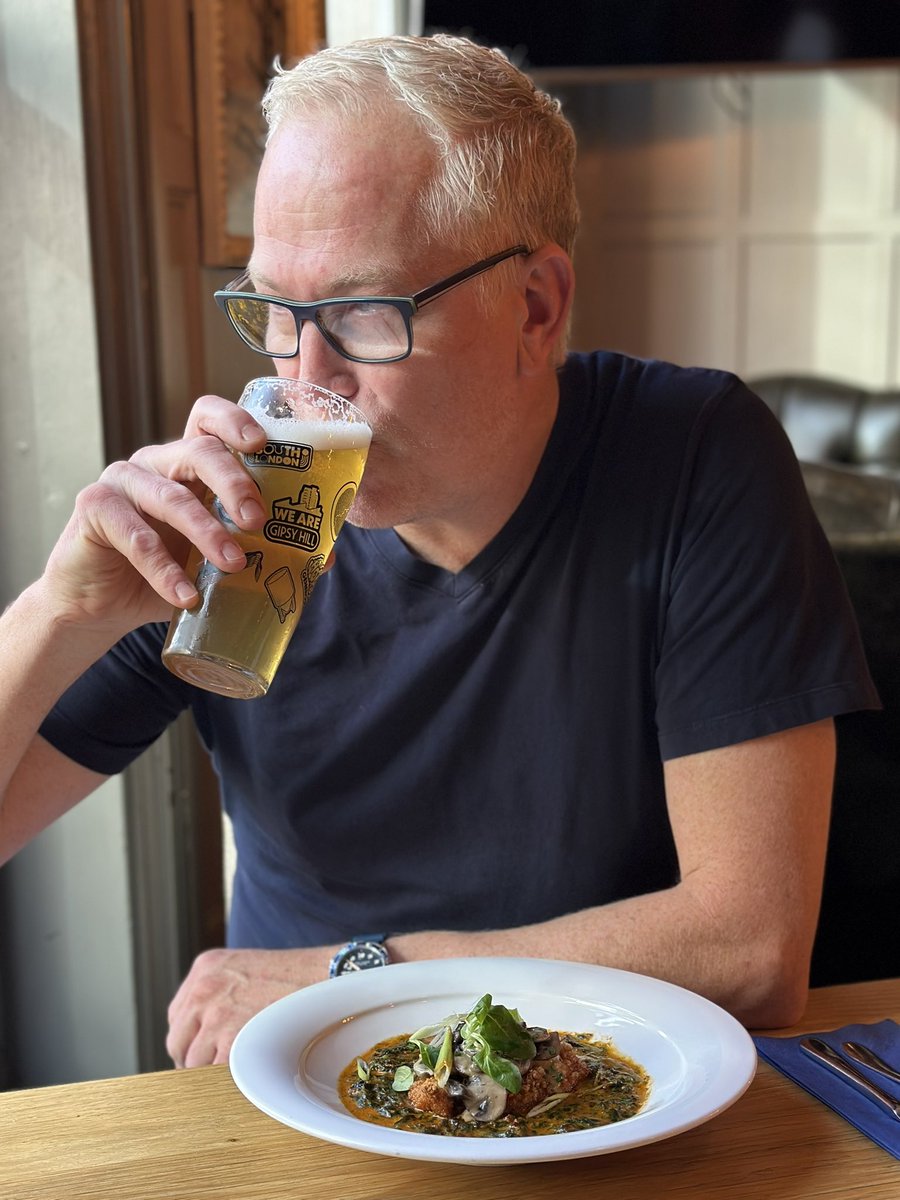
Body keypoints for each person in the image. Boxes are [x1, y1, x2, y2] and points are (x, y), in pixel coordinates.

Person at [0, 34, 878, 1068]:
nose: (306, 377)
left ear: (536, 309)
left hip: (584, 1089)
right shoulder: (231, 511)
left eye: (362, 315)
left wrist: (362, 973)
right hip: (295, 1095)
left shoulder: (693, 456)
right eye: (276, 314)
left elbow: (751, 949)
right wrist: (59, 611)